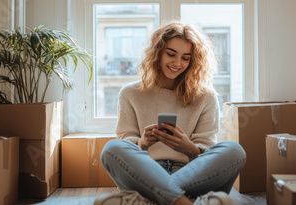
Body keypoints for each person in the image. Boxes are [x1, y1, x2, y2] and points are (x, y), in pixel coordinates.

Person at [94, 21, 247, 205]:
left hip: (191, 174)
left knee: (233, 150)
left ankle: (151, 200)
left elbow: (206, 149)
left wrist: (189, 148)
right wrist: (142, 143)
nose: (177, 63)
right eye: (171, 54)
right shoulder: (130, 93)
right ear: (157, 53)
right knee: (113, 148)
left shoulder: (206, 97)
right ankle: (188, 202)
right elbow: (126, 141)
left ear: (193, 61)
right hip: (145, 172)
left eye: (186, 57)